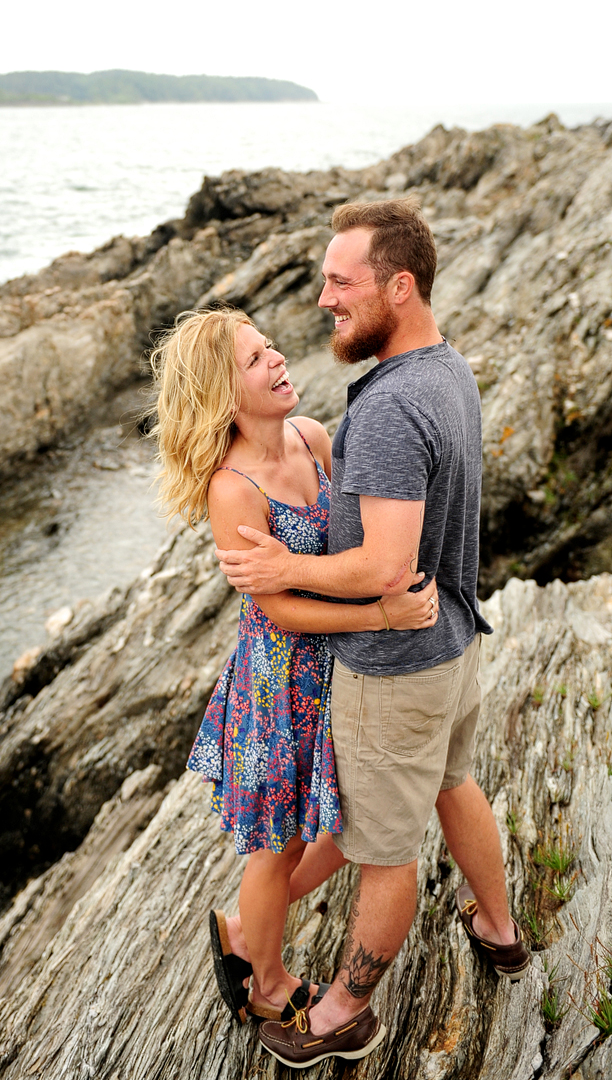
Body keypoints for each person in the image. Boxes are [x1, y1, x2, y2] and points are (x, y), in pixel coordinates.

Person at [215, 199, 530, 1070]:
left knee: (383, 853)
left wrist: (286, 570)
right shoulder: (447, 367)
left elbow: (385, 568)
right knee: (454, 782)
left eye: (340, 280)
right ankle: (500, 930)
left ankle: (344, 1011)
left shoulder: (389, 410)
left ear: (399, 284)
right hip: (456, 642)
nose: (323, 298)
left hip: (396, 666)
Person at [149, 307, 438, 1042]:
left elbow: (365, 537)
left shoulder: (313, 438)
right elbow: (276, 609)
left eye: (270, 345)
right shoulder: (232, 487)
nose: (278, 359)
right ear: (223, 392)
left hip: (340, 668)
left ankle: (246, 925)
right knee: (275, 842)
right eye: (255, 359)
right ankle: (267, 979)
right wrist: (382, 618)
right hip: (279, 683)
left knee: (350, 818)